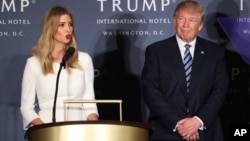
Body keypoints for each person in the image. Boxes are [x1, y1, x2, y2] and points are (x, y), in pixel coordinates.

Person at [141, 0, 229, 141]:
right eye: (181, 19)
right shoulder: (156, 51)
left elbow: (219, 90)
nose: (186, 25)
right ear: (174, 21)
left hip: (206, 133)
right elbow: (151, 91)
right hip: (167, 132)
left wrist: (198, 121)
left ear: (200, 25)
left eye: (192, 20)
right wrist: (178, 124)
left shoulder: (215, 53)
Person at [20, 6, 98, 130]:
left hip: (79, 130)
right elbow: (26, 107)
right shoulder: (33, 63)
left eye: (70, 24)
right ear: (50, 29)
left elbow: (89, 100)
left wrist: (94, 126)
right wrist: (46, 130)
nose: (68, 29)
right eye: (61, 25)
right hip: (47, 130)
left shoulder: (84, 59)